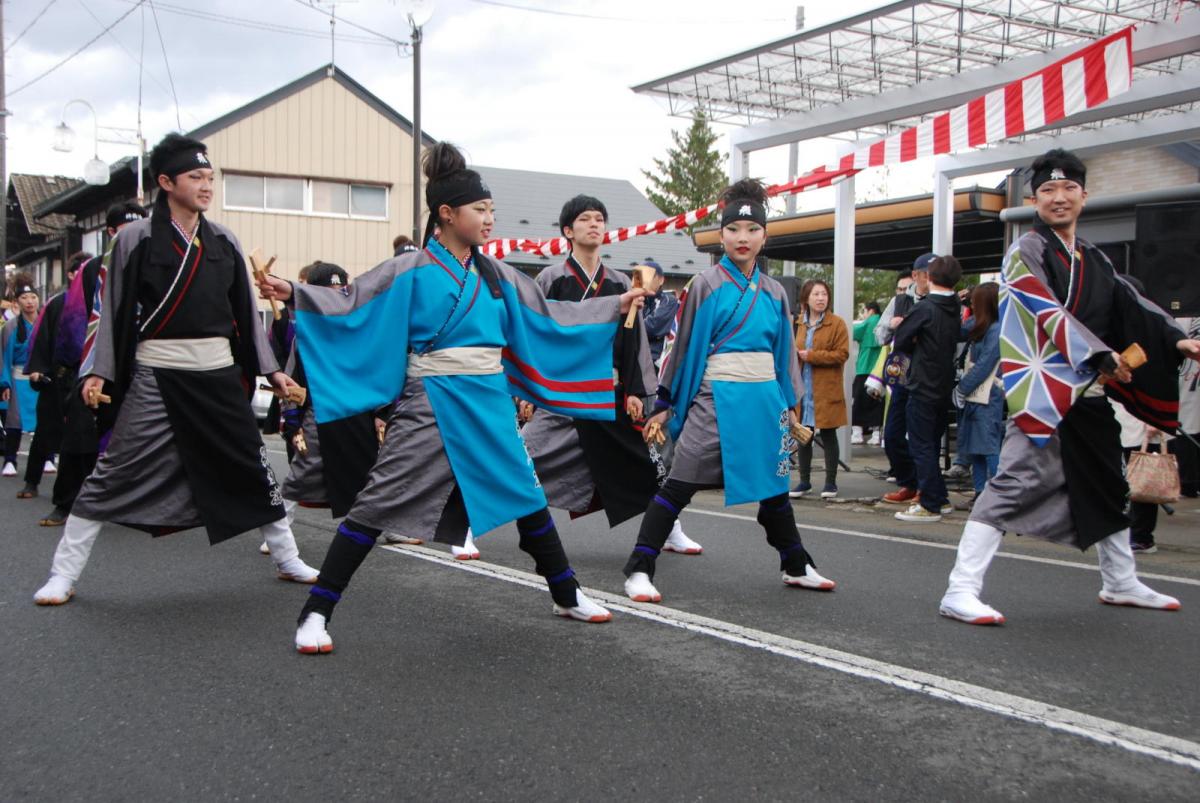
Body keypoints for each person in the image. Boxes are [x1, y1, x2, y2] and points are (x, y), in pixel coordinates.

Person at [260, 142, 648, 654]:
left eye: (491, 210)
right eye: (480, 210)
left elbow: (548, 317)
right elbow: (352, 301)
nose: (490, 219)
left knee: (526, 496)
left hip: (488, 400)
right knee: (379, 502)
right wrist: (293, 291)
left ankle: (566, 590)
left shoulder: (497, 275)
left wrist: (613, 303)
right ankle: (317, 609)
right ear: (446, 214)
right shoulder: (411, 269)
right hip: (431, 399)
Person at [31, 133, 319, 606]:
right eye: (195, 177)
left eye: (210, 178)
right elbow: (112, 310)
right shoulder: (133, 239)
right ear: (166, 182)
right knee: (112, 469)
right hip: (156, 374)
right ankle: (64, 573)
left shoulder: (224, 240)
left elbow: (246, 316)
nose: (206, 186)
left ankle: (287, 558)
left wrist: (271, 371)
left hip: (218, 374)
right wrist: (98, 370)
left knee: (250, 464)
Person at [939, 148, 1200, 625]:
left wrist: (1178, 341)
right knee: (1014, 481)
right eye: (1048, 191)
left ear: (1084, 195)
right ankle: (960, 588)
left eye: (1068, 189)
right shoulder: (1026, 252)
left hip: (1090, 390)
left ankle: (1120, 580)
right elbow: (1041, 306)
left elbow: (1135, 304)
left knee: (1107, 483)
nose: (1059, 198)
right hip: (1047, 390)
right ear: (1034, 199)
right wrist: (1097, 352)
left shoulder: (1094, 258)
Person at [621, 178, 836, 604]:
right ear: (721, 236)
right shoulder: (705, 284)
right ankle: (639, 566)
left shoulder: (776, 292)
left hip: (763, 400)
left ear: (764, 237)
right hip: (711, 398)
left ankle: (795, 563)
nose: (743, 238)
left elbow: (784, 357)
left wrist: (791, 408)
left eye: (752, 230)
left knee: (773, 485)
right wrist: (664, 404)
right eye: (734, 231)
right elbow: (682, 347)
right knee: (681, 482)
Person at [520, 195, 702, 555]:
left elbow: (631, 338)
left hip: (609, 389)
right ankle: (467, 520)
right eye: (585, 219)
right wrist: (528, 390)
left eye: (599, 219)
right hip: (562, 391)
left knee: (646, 464)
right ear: (568, 231)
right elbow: (533, 335)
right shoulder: (551, 279)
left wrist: (635, 389)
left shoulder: (621, 281)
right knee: (518, 455)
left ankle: (669, 528)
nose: (594, 224)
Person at [31, 205, 148, 527]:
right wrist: (75, 366)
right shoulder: (94, 268)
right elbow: (75, 319)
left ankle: (134, 505)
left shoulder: (153, 264)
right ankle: (66, 503)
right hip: (96, 361)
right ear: (111, 232)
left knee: (140, 436)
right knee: (80, 433)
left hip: (142, 361)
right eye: (127, 228)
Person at [890, 255, 963, 523]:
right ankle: (939, 497)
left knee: (920, 444)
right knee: (930, 443)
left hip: (922, 382)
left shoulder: (925, 308)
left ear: (929, 277)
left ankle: (930, 503)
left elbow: (901, 340)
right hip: (944, 383)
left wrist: (914, 338)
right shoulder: (955, 306)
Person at [19, 252, 96, 503]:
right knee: (45, 431)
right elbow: (40, 336)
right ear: (72, 274)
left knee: (83, 436)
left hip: (86, 376)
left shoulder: (98, 302)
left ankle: (83, 490)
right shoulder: (57, 303)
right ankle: (32, 481)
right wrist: (37, 368)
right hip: (56, 374)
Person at [877, 257, 932, 495]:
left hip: (929, 375)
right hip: (901, 373)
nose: (931, 279)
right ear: (917, 275)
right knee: (892, 434)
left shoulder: (941, 300)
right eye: (927, 274)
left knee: (923, 437)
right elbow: (879, 335)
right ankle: (908, 481)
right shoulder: (900, 300)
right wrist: (892, 324)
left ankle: (926, 489)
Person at [791, 279, 849, 499]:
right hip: (802, 388)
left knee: (828, 434)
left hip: (826, 388)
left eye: (824, 294)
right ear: (806, 298)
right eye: (816, 294)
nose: (820, 298)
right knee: (802, 434)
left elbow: (842, 354)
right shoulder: (798, 323)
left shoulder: (837, 323)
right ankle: (804, 481)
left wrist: (812, 356)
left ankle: (830, 482)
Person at [952, 282, 1004, 497]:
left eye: (975, 300)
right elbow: (956, 330)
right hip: (976, 393)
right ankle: (980, 492)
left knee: (989, 444)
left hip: (989, 393)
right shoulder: (980, 323)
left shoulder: (996, 329)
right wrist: (953, 302)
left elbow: (985, 363)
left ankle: (998, 493)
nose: (971, 303)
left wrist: (962, 388)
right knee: (975, 446)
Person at [1, 276, 42, 481]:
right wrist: (4, 383)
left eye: (33, 297)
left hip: (40, 379)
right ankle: (10, 459)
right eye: (24, 297)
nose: (29, 301)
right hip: (18, 379)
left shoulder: (46, 322)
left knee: (44, 421)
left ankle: (48, 457)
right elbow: (4, 358)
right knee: (14, 421)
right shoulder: (10, 327)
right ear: (17, 302)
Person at [851, 300, 883, 446]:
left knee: (859, 402)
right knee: (877, 402)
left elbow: (852, 332)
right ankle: (876, 434)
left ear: (870, 311)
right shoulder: (884, 322)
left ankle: (857, 433)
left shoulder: (868, 322)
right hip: (880, 369)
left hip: (864, 368)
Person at [641, 259, 679, 367]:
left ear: (661, 280)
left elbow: (652, 327)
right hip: (638, 360)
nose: (644, 280)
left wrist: (632, 328)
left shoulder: (668, 300)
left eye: (648, 275)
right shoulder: (639, 301)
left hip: (656, 361)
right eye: (641, 276)